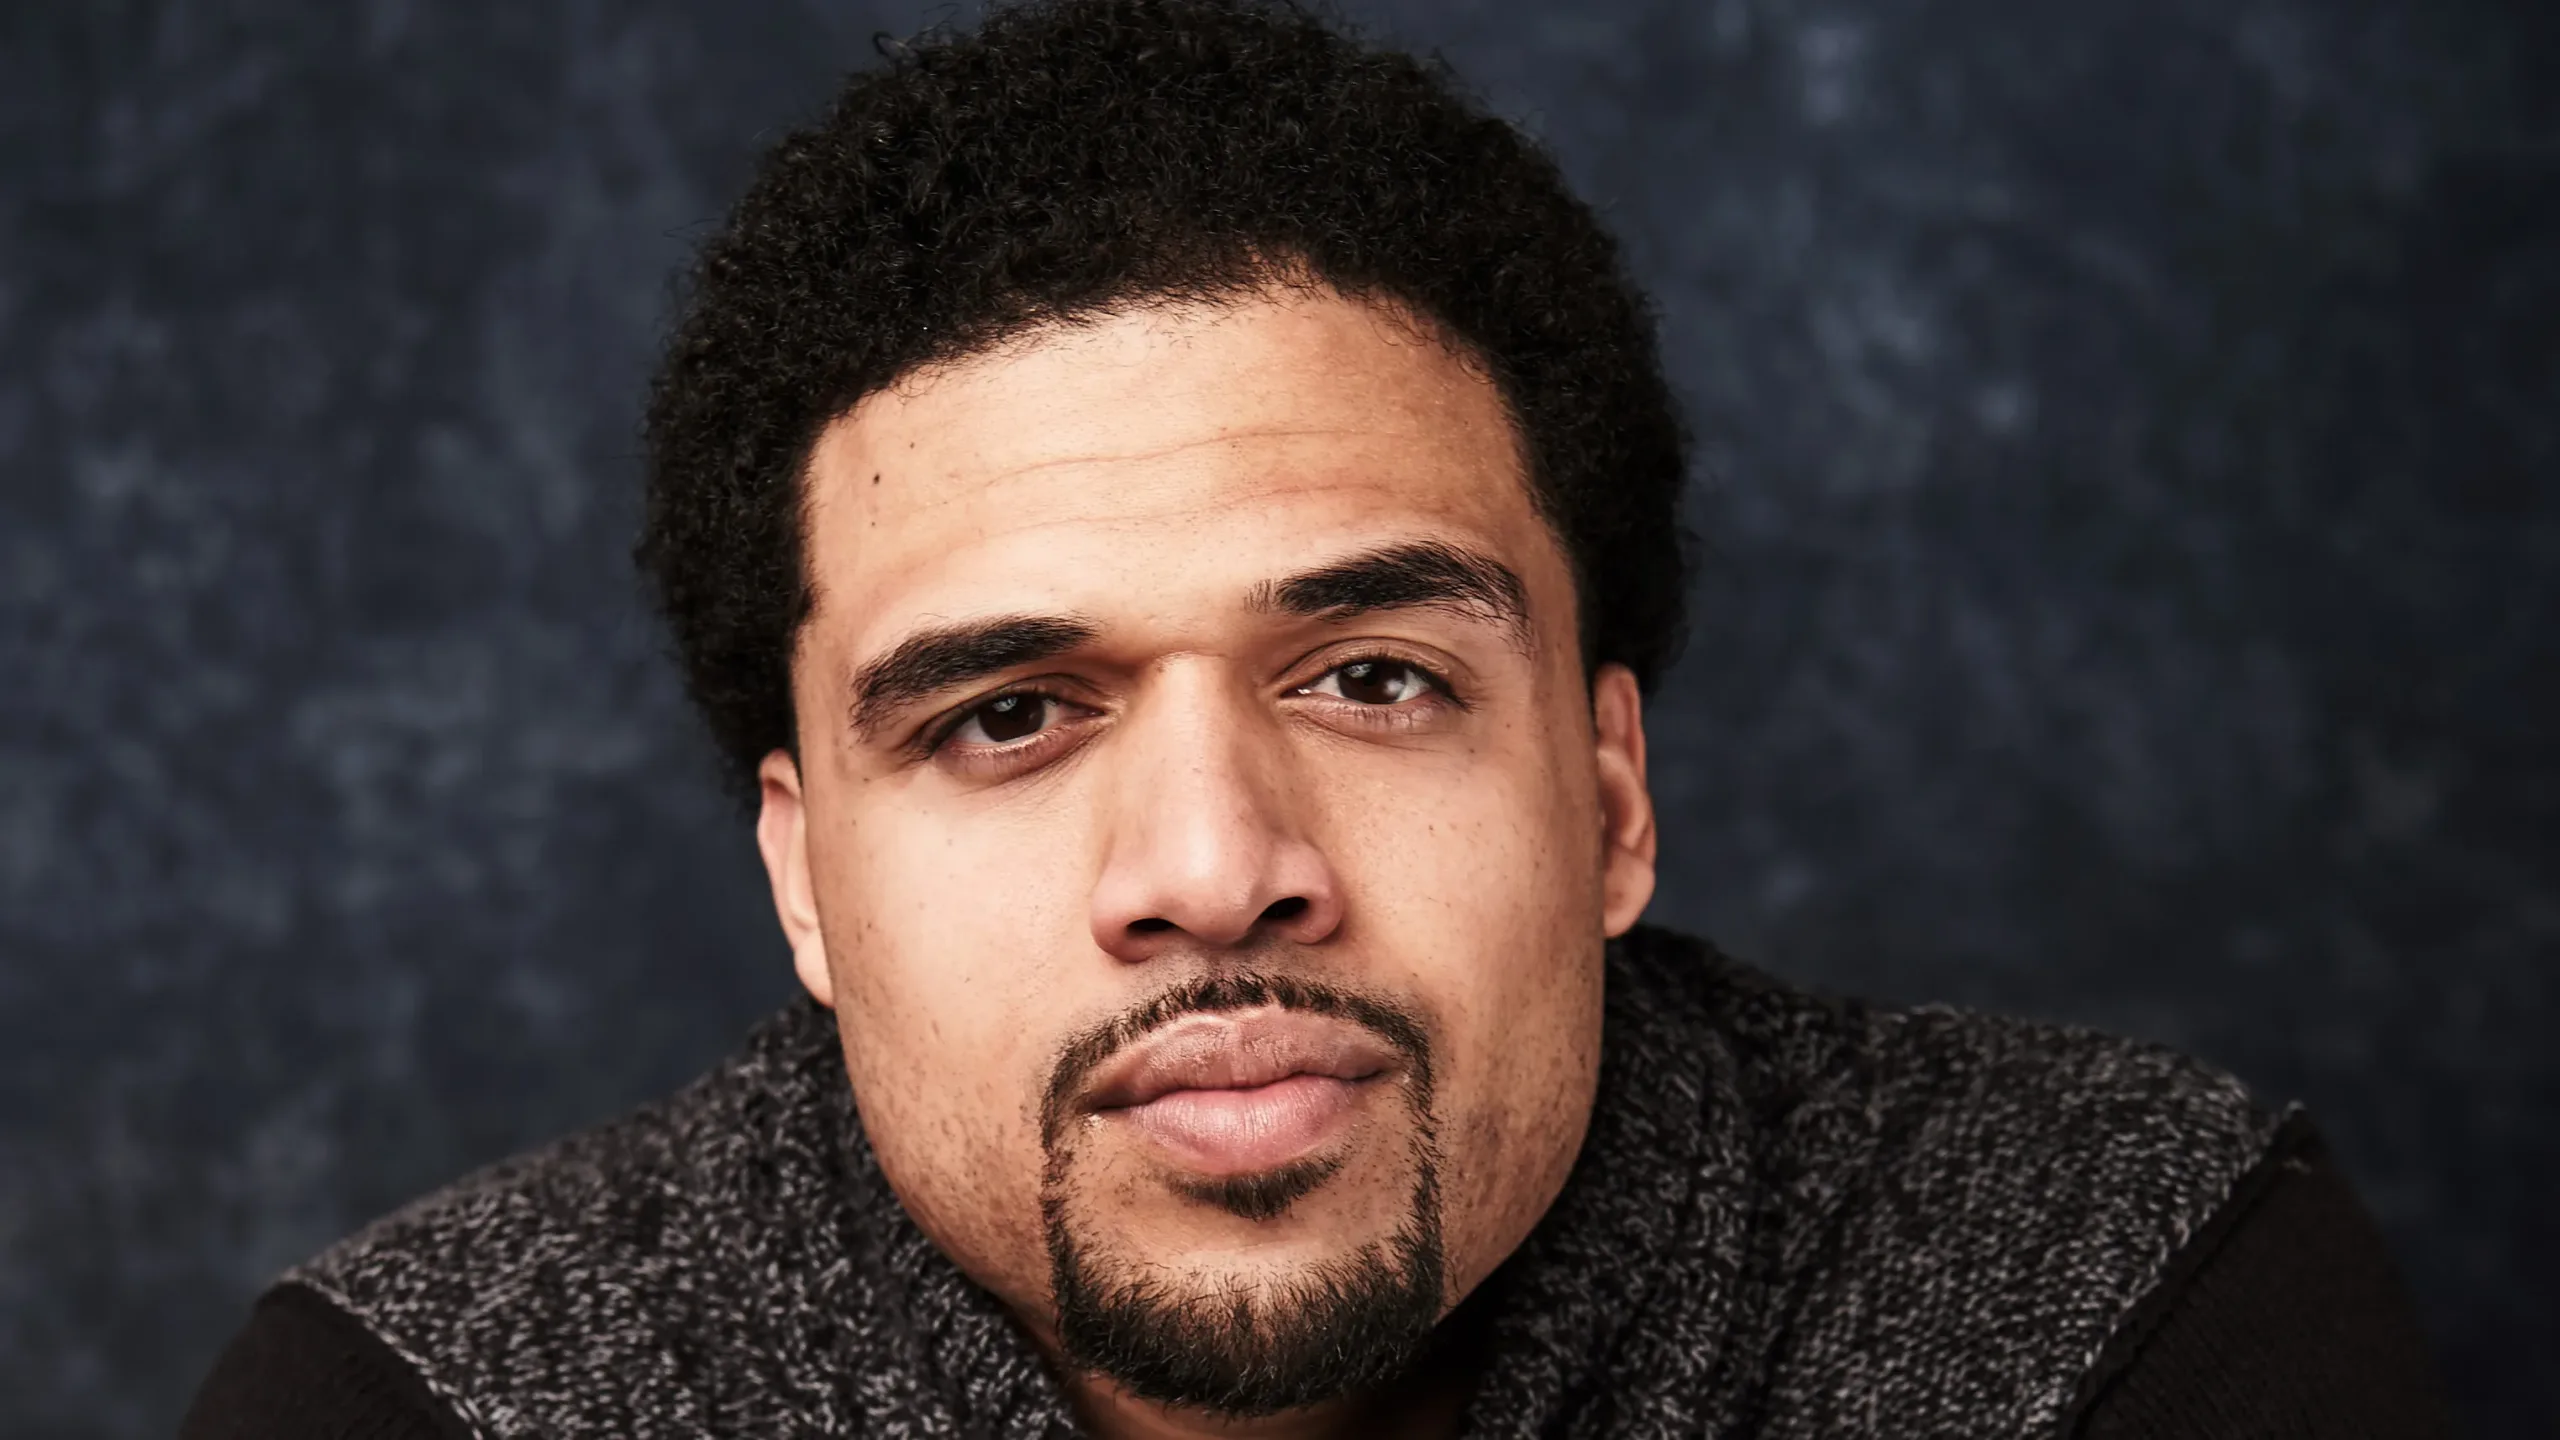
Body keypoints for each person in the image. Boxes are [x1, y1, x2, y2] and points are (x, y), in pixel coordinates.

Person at [180, 1, 2454, 1435]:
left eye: (1372, 678)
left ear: (1606, 790)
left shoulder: (2122, 1304)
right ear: (803, 880)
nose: (1212, 867)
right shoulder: (411, 1411)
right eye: (1006, 715)